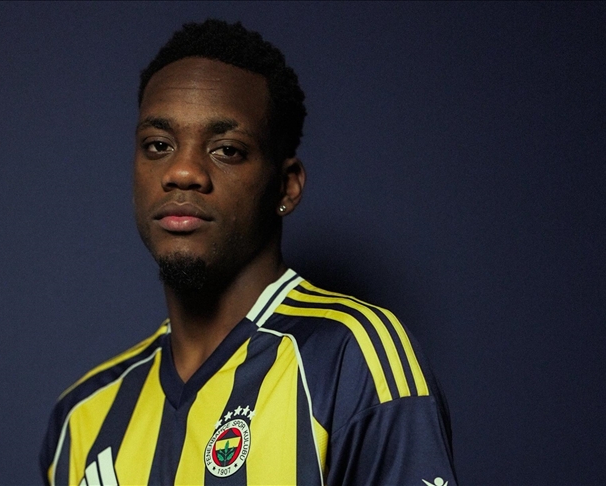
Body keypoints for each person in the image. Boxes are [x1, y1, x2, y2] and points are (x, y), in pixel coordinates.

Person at [41, 19, 456, 486]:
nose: (183, 172)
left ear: (286, 186)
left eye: (227, 150)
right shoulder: (82, 419)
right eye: (158, 145)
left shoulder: (353, 359)